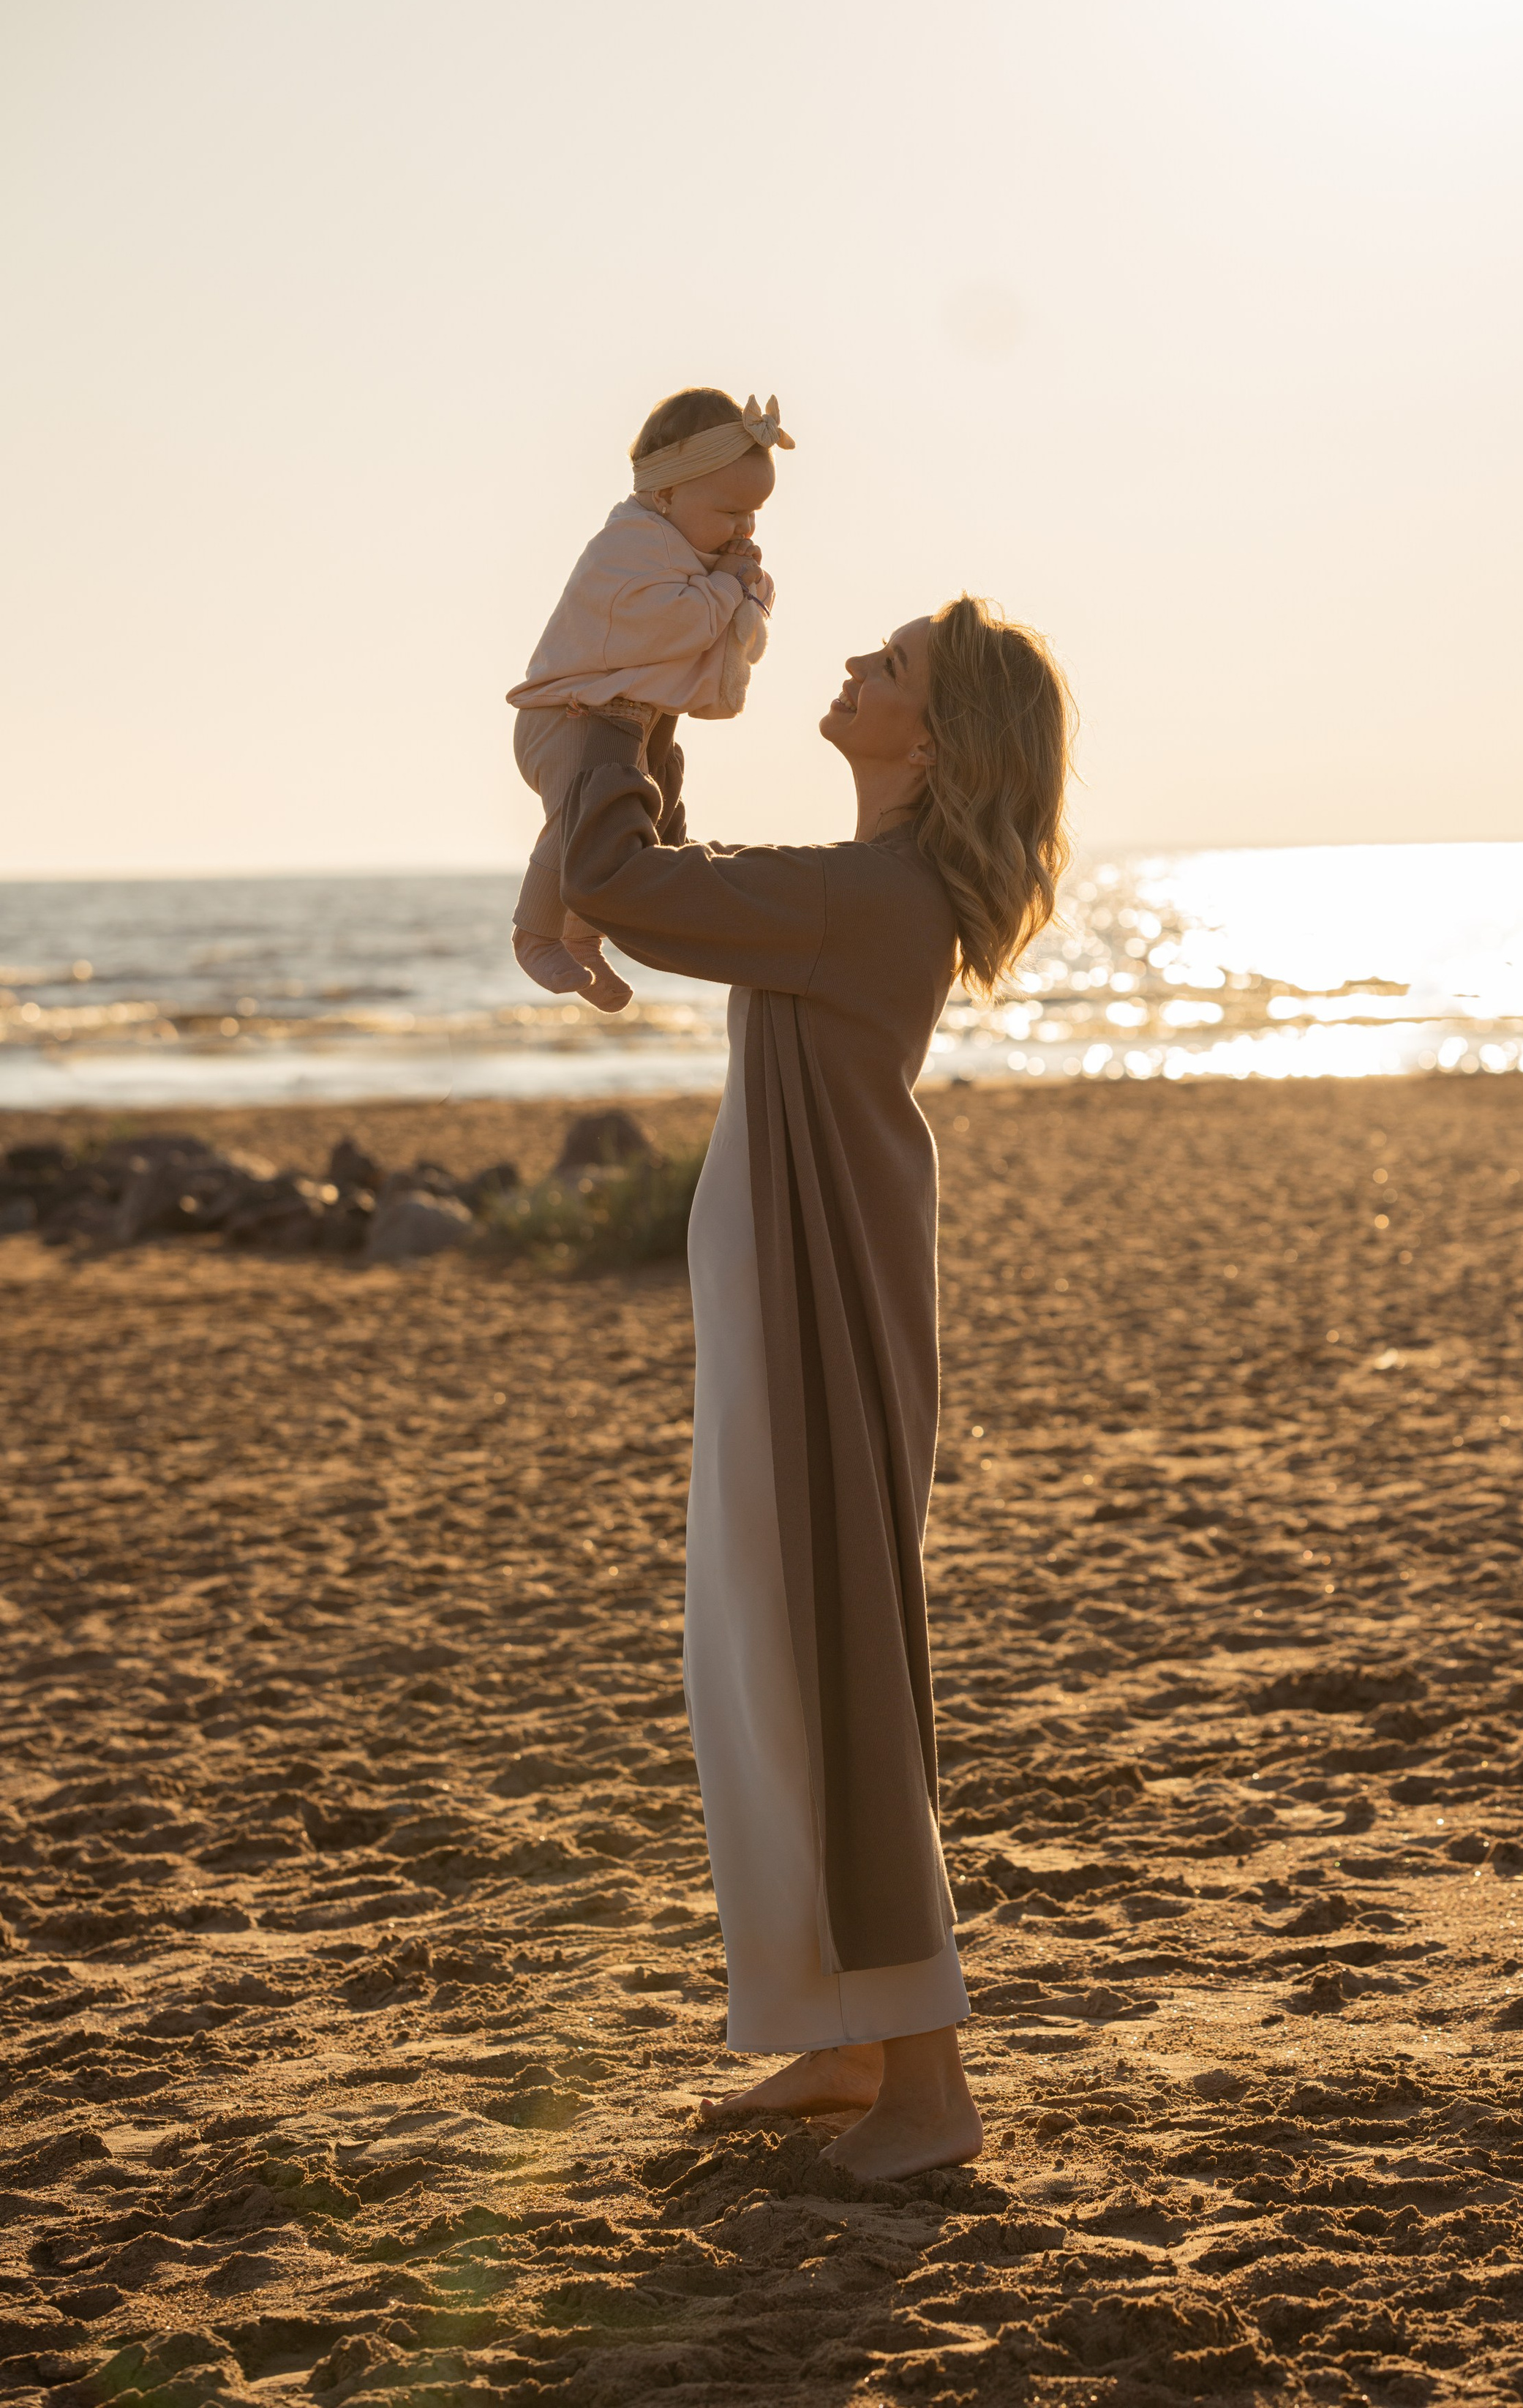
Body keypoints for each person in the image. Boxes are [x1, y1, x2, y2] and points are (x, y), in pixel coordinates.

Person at [558, 595, 1073, 2178]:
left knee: (832, 1670)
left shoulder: (868, 893)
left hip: (815, 1300)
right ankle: (847, 2042)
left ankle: (929, 2094)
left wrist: (612, 701)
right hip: (794, 1290)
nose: (852, 667)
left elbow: (615, 885)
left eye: (890, 666)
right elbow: (681, 894)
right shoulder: (863, 887)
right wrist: (641, 730)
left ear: (936, 737)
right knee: (765, 1671)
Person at [505, 387, 791, 1008]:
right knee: (582, 814)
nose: (743, 529)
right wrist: (725, 587)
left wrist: (745, 590)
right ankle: (535, 934)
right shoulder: (626, 549)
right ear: (665, 493)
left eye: (753, 516)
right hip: (571, 716)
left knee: (640, 814)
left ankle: (586, 937)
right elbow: (675, 624)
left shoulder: (687, 549)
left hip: (629, 718)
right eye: (729, 512)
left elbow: (736, 622)